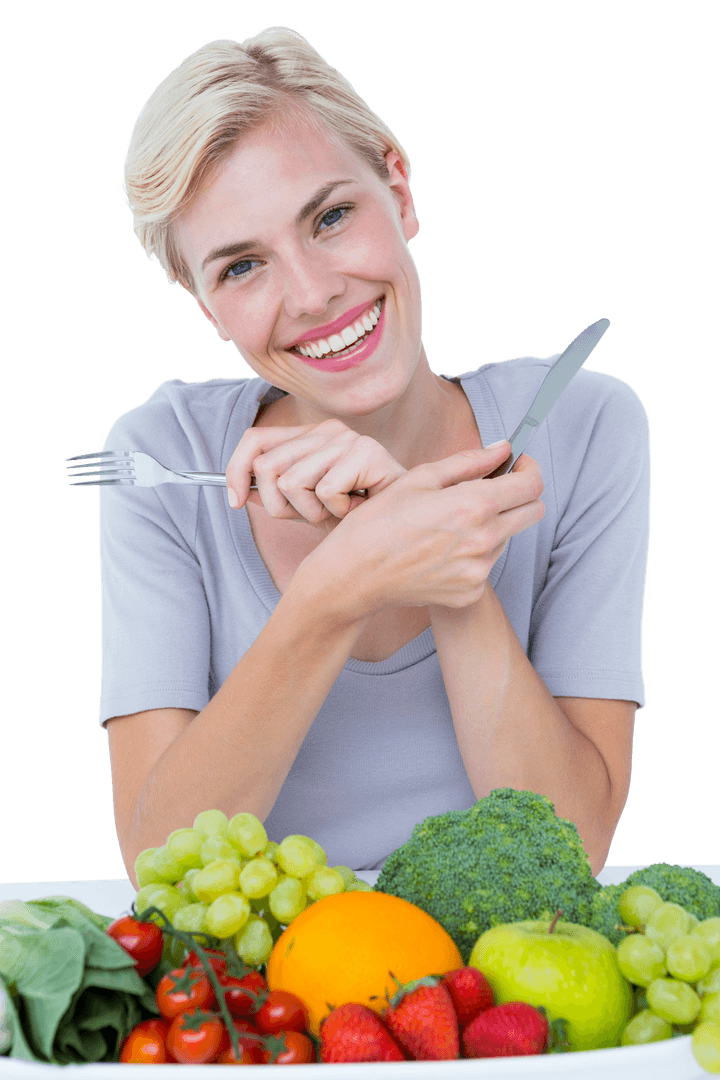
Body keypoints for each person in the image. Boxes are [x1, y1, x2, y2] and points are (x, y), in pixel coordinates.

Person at [102, 26, 650, 889]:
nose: (313, 295)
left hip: (495, 1000)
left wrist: (440, 559)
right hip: (269, 1002)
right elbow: (163, 868)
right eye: (242, 266)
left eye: (330, 217)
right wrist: (338, 586)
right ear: (208, 306)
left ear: (397, 188)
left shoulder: (581, 424)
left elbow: (569, 857)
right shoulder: (162, 460)